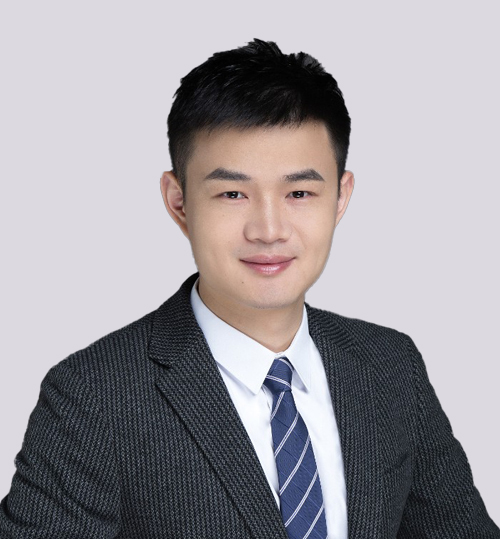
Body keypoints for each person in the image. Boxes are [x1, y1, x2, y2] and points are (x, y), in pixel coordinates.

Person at [0, 38, 498, 539]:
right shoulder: (93, 396)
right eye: (233, 193)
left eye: (299, 192)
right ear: (179, 202)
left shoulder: (390, 365)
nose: (268, 230)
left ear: (340, 197)